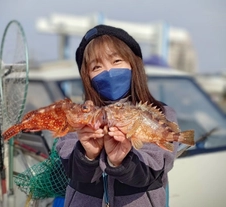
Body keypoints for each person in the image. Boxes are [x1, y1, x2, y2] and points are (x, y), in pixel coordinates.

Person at [56, 24, 179, 207]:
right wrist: (87, 154)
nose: (109, 72)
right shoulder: (78, 117)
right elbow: (71, 171)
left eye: (116, 61)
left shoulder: (162, 114)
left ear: (133, 64)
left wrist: (121, 161)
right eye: (97, 66)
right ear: (87, 76)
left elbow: (152, 170)